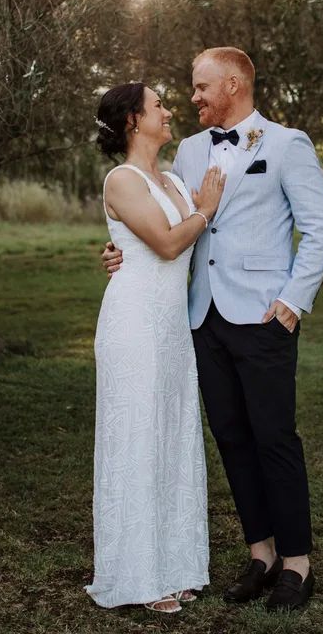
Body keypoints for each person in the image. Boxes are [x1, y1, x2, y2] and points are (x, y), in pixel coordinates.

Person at [103, 47, 323, 612]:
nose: (193, 98)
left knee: (275, 438)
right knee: (230, 437)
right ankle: (261, 555)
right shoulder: (187, 150)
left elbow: (320, 227)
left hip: (263, 317)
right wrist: (120, 249)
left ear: (232, 84)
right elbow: (169, 218)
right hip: (201, 319)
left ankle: (297, 565)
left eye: (201, 87)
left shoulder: (287, 144)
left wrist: (292, 301)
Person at [85, 81, 226, 614]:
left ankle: (176, 564)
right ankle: (138, 575)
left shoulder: (170, 179)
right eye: (159, 105)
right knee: (138, 440)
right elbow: (167, 244)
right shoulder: (120, 180)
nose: (169, 112)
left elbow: (180, 243)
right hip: (133, 326)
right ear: (132, 122)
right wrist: (205, 210)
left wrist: (199, 211)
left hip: (170, 328)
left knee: (171, 436)